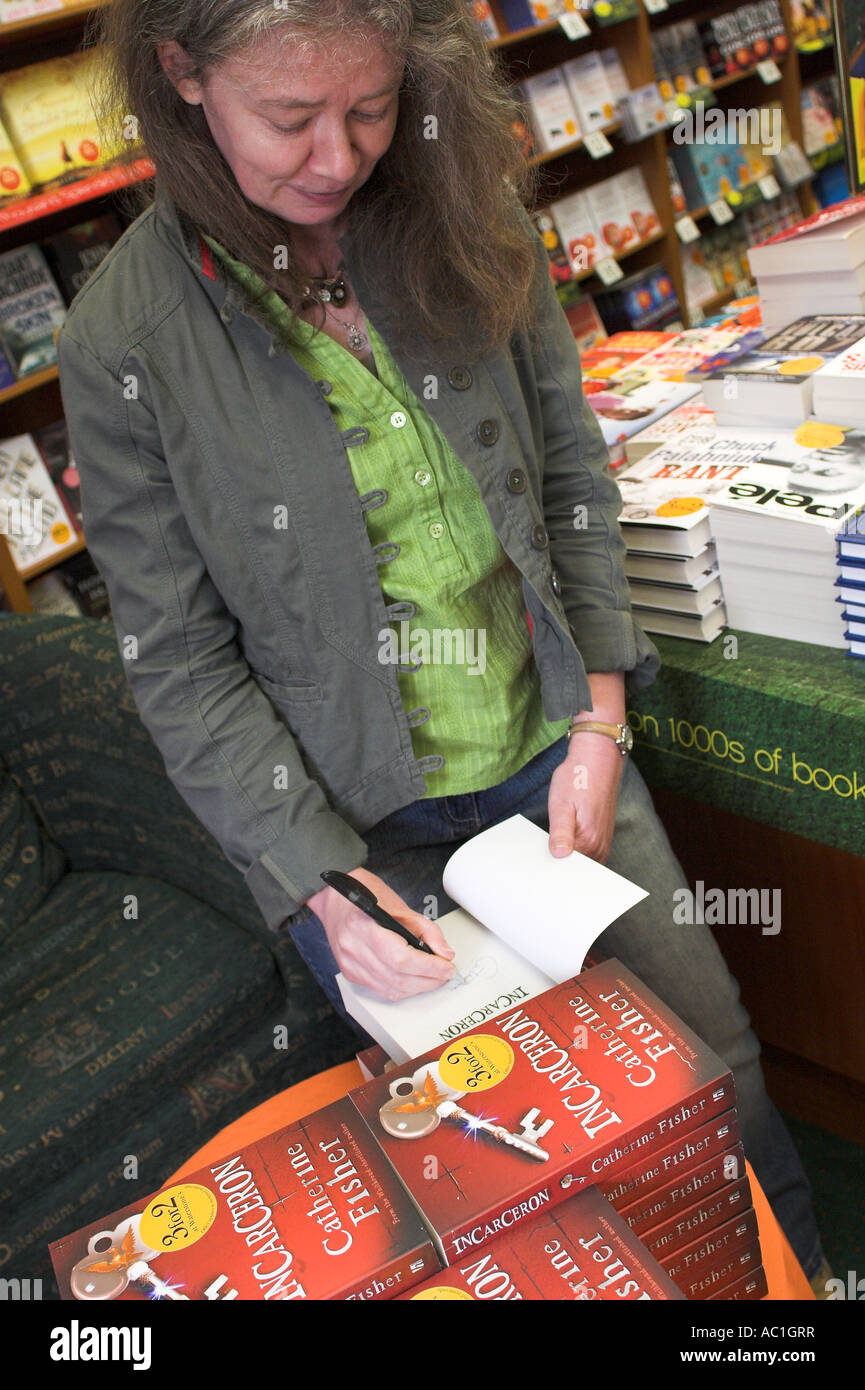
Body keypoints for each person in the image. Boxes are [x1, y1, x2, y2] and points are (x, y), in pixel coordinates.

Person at [57, 0, 827, 1287]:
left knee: (715, 1071)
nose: (338, 156)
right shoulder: (124, 342)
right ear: (182, 76)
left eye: (368, 107)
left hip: (551, 738)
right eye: (288, 118)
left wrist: (596, 718)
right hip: (353, 825)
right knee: (503, 1153)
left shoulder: (461, 201)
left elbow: (570, 476)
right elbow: (179, 660)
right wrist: (319, 880)